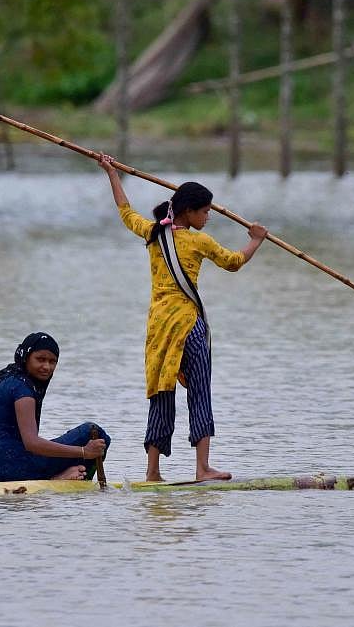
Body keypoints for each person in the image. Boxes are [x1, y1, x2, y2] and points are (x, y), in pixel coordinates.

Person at [98, 154, 267, 482]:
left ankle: (152, 471)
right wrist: (256, 240)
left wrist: (112, 173)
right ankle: (203, 468)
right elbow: (233, 262)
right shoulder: (198, 240)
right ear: (189, 211)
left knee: (161, 392)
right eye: (205, 212)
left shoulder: (153, 234)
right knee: (200, 390)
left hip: (158, 328)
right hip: (188, 325)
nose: (207, 217)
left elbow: (125, 212)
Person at [0, 332, 110, 483]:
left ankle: (60, 476)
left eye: (52, 361)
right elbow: (31, 443)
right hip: (12, 470)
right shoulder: (23, 388)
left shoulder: (2, 379)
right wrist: (84, 451)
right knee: (95, 433)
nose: (46, 366)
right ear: (26, 358)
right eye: (40, 359)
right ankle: (65, 481)